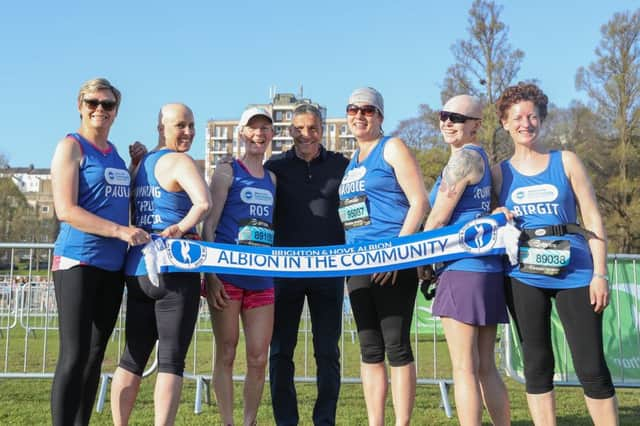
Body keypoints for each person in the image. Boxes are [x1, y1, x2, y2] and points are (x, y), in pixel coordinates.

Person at [493, 82, 618, 425]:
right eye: (517, 117)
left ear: (541, 120)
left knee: (591, 363)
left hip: (576, 273)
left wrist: (600, 273)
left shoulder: (566, 161)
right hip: (523, 276)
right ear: (505, 123)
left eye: (532, 116)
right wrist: (494, 215)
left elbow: (592, 217)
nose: (526, 123)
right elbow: (484, 222)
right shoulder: (498, 173)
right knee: (536, 363)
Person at [50, 77, 150, 426]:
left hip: (112, 266)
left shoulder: (116, 155)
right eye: (93, 102)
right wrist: (118, 231)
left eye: (107, 105)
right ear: (80, 105)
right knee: (74, 354)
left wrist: (137, 168)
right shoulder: (71, 147)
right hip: (78, 260)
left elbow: (120, 201)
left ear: (116, 112)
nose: (99, 110)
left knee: (95, 355)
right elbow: (67, 210)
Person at [110, 103, 211, 425]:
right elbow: (204, 202)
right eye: (180, 125)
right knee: (170, 361)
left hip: (138, 270)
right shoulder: (181, 161)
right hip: (174, 270)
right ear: (161, 127)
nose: (188, 132)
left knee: (132, 357)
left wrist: (135, 160)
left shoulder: (141, 164)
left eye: (191, 125)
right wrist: (181, 228)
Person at [338, 87, 428, 426]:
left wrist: (397, 255)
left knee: (397, 347)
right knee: (370, 350)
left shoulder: (392, 147)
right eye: (353, 109)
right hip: (357, 263)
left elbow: (419, 201)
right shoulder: (352, 162)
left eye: (368, 110)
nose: (360, 115)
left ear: (380, 116)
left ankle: (401, 423)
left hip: (392, 261)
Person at [421, 95, 510, 426]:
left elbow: (438, 220)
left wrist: (418, 258)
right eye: (443, 115)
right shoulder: (482, 158)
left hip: (461, 268)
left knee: (464, 367)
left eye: (457, 117)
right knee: (486, 366)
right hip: (486, 268)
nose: (447, 122)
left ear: (476, 125)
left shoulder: (463, 160)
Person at [266, 104, 349, 426]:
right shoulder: (275, 167)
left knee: (328, 352)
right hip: (283, 274)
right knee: (280, 352)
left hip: (329, 274)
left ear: (322, 129)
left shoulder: (342, 165)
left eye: (312, 128)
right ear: (290, 131)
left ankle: (324, 420)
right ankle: (286, 421)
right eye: (299, 128)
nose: (306, 134)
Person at [204, 106, 276, 426]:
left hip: (262, 279)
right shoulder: (226, 172)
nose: (259, 134)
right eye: (253, 128)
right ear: (243, 134)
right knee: (228, 352)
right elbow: (210, 225)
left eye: (265, 129)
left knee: (259, 358)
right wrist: (211, 275)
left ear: (271, 135)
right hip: (227, 276)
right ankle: (227, 421)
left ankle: (249, 421)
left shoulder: (273, 178)